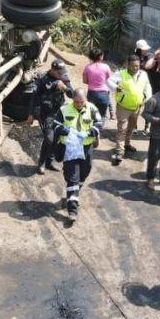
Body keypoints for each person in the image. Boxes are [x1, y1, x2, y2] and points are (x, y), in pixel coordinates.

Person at [52, 89, 102, 222]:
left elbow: (99, 123)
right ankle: (72, 209)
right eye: (76, 101)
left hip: (86, 147)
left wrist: (90, 132)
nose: (79, 104)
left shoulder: (92, 108)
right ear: (72, 99)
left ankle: (74, 192)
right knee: (72, 178)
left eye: (82, 101)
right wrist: (65, 130)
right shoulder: (64, 109)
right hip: (70, 148)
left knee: (85, 172)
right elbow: (55, 125)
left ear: (85, 99)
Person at [27, 60, 74, 174]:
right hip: (46, 113)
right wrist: (30, 114)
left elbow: (72, 94)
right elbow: (33, 97)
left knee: (57, 137)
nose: (61, 74)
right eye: (59, 72)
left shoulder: (63, 77)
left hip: (59, 112)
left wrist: (65, 88)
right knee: (49, 138)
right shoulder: (43, 78)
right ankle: (41, 163)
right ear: (52, 70)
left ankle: (50, 161)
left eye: (62, 72)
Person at [107, 54, 152, 165]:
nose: (135, 68)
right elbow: (108, 82)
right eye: (133, 66)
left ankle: (127, 144)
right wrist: (116, 88)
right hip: (123, 108)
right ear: (128, 65)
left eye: (137, 66)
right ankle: (119, 152)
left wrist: (146, 98)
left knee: (131, 128)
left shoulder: (143, 74)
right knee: (122, 129)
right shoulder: (120, 73)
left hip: (137, 108)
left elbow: (148, 87)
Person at [82, 48, 113, 119]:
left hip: (92, 94)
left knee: (90, 114)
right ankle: (99, 129)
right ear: (101, 57)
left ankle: (91, 129)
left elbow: (84, 81)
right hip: (103, 94)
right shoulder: (106, 67)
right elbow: (109, 79)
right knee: (102, 116)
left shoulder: (87, 67)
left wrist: (92, 82)